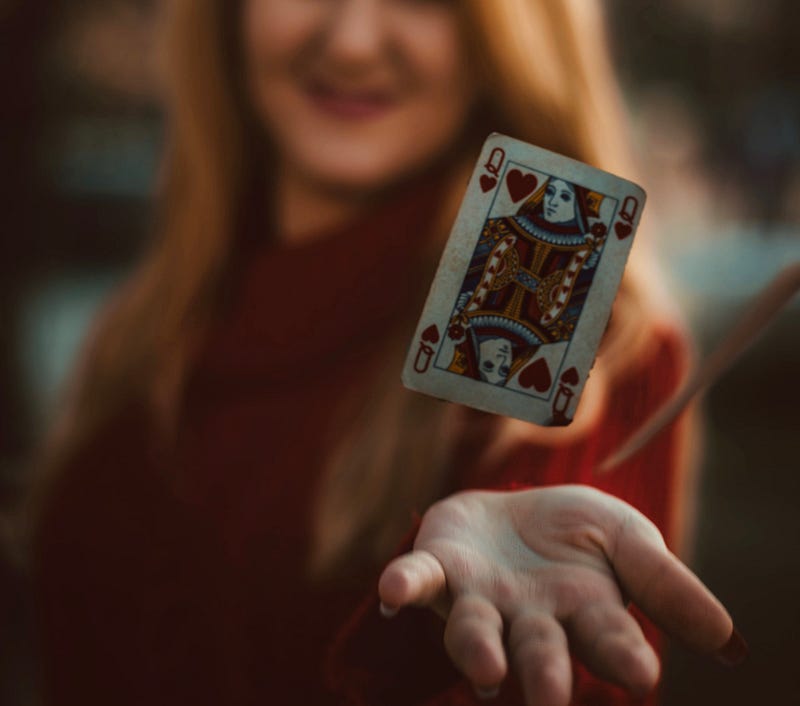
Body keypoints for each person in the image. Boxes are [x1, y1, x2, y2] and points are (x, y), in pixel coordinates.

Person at [28, 1, 744, 705]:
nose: (353, 41)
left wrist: (448, 636)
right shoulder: (153, 316)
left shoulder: (544, 276)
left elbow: (557, 664)